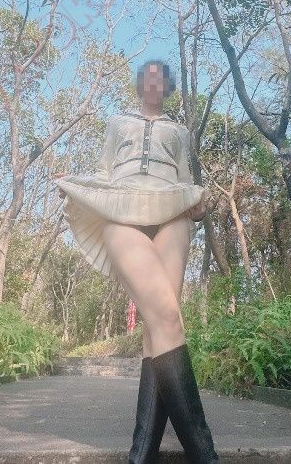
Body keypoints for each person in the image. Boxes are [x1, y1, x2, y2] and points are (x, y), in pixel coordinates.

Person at [54, 59, 219, 463]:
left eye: (161, 76)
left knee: (161, 325)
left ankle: (140, 456)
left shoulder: (179, 131)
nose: (154, 81)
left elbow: (184, 180)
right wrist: (76, 188)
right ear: (140, 83)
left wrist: (199, 207)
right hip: (121, 214)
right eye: (148, 75)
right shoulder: (117, 122)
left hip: (172, 216)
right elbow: (104, 173)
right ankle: (205, 456)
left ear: (168, 86)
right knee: (165, 320)